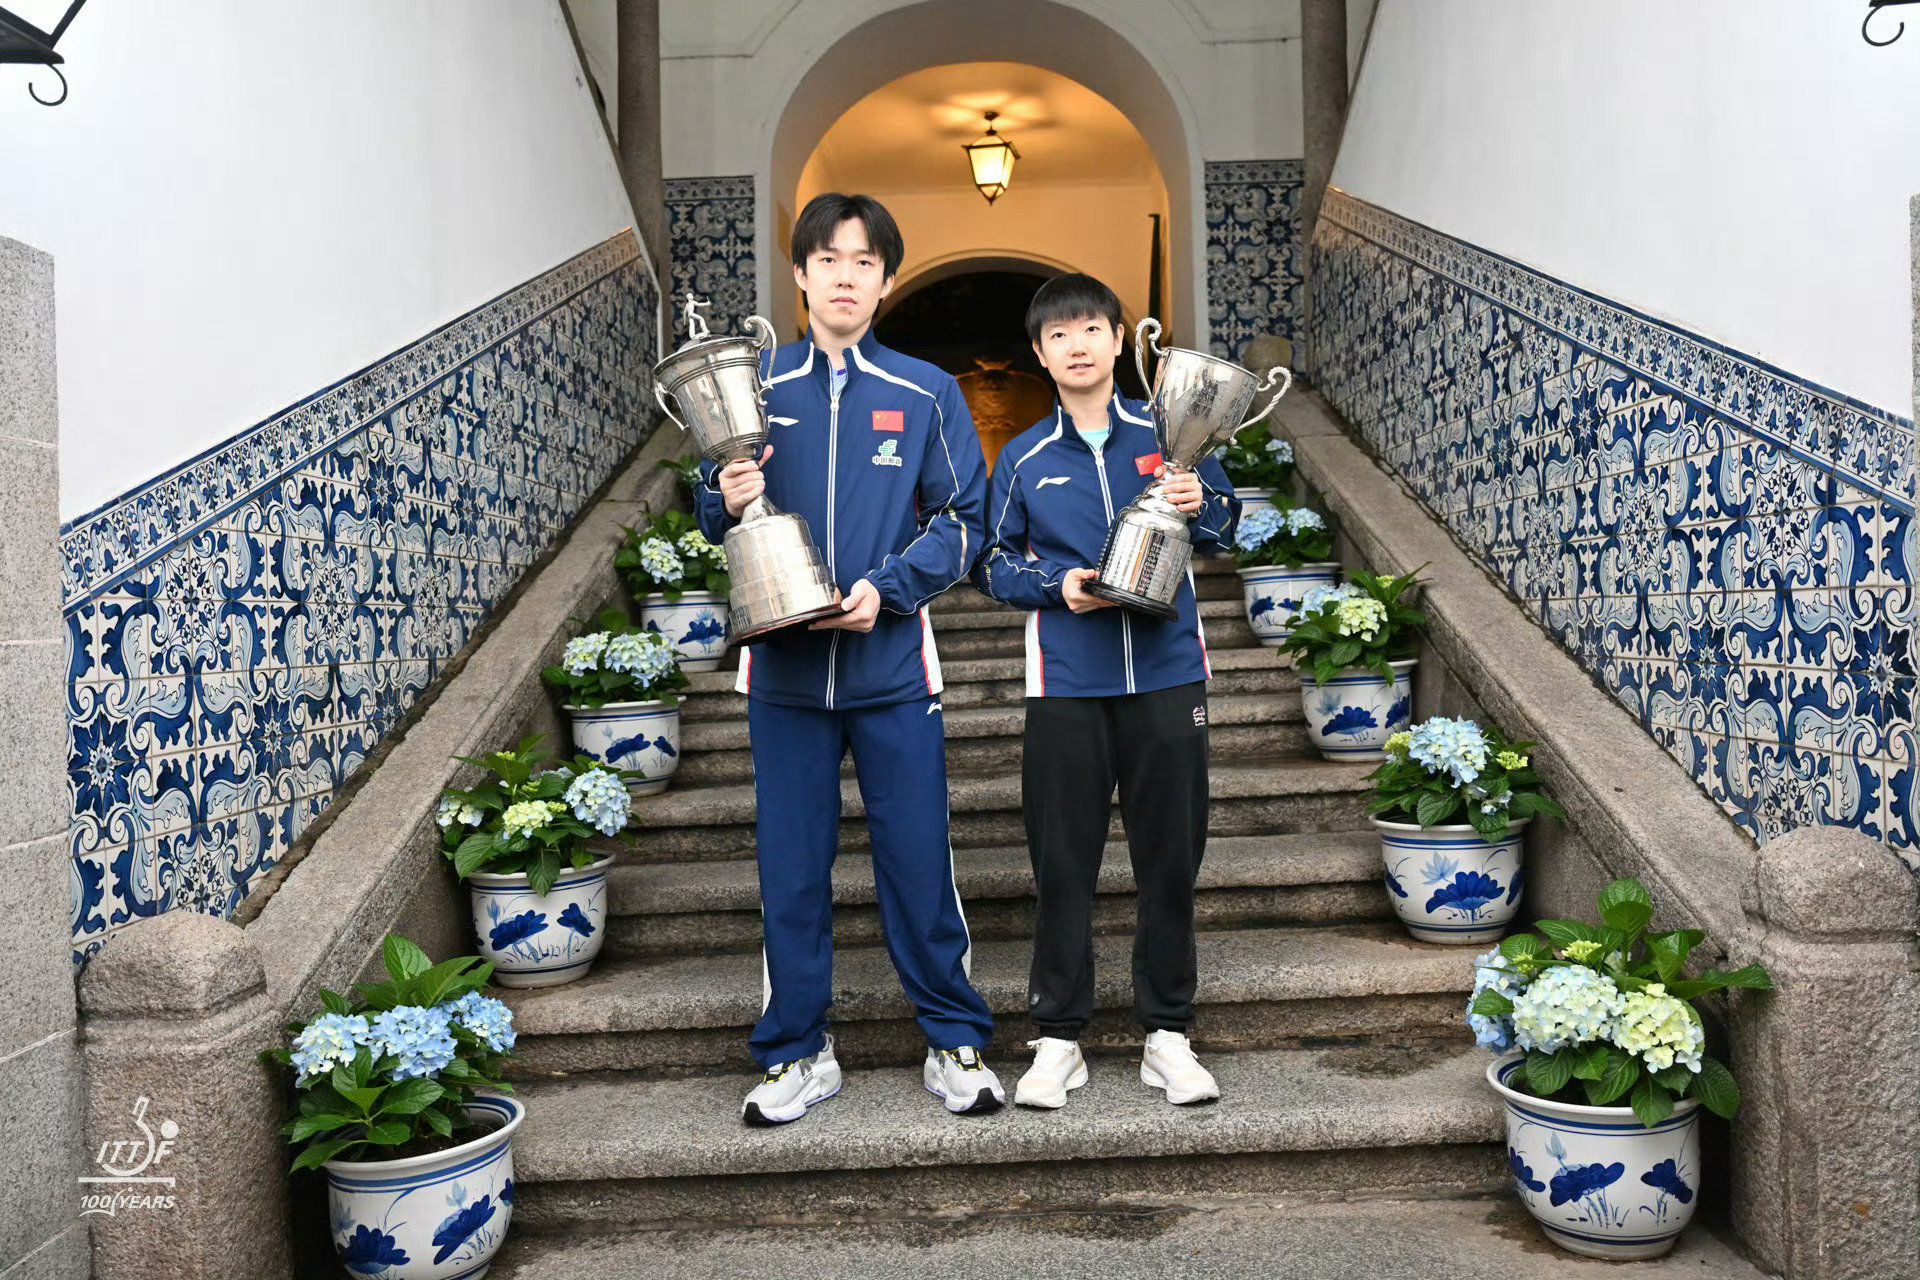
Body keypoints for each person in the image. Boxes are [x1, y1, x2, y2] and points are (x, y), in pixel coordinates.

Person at [696, 193, 1004, 1124]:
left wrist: (891, 588)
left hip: (894, 671)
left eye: (864, 261)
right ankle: (797, 1052)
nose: (844, 276)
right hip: (785, 674)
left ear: (887, 279)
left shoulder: (925, 391)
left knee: (918, 861)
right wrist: (723, 494)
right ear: (799, 274)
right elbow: (710, 510)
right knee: (792, 869)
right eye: (827, 259)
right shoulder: (755, 386)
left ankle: (954, 1041)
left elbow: (966, 519)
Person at [971, 273, 1239, 1109]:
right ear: (1040, 354)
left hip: (1168, 674)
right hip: (1067, 683)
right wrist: (1058, 587)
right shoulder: (1024, 458)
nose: (1077, 345)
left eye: (1091, 328)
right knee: (1063, 864)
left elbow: (1226, 528)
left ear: (1121, 341)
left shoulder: (1172, 433)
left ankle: (1168, 1034)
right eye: (1058, 334)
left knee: (1171, 860)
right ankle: (1058, 1039)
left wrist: (1201, 500)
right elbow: (992, 563)